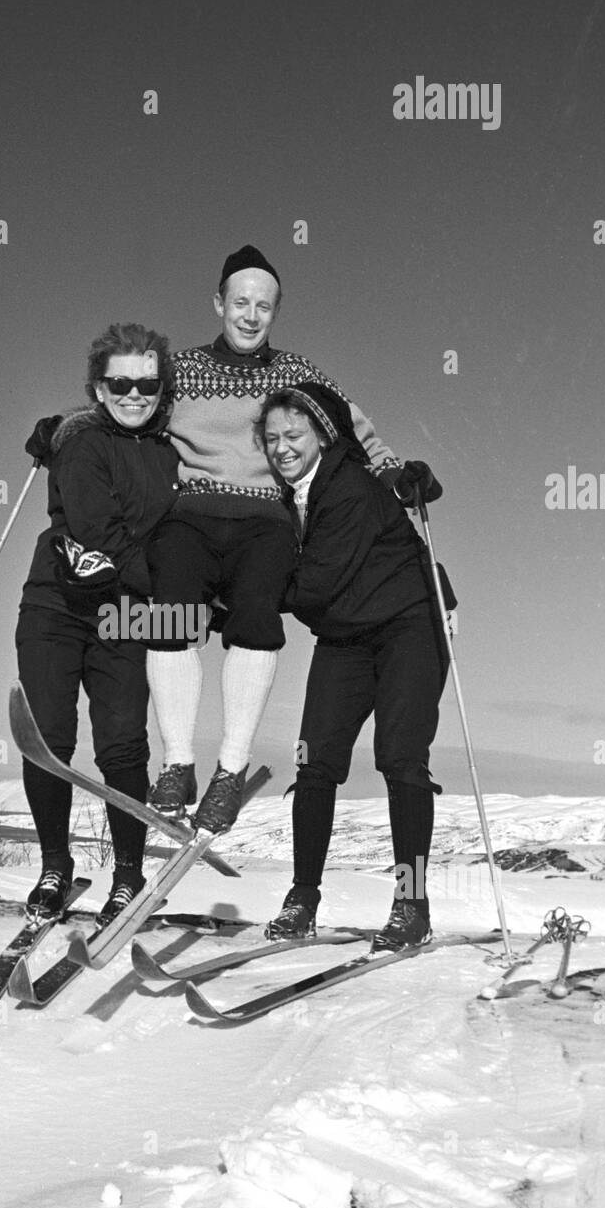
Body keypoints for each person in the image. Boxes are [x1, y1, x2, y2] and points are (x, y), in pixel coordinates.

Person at [145, 244, 441, 834]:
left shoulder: (297, 374)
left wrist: (392, 470)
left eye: (264, 306)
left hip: (265, 520)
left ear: (274, 313)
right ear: (219, 304)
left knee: (256, 617)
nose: (251, 316)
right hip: (193, 515)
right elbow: (121, 404)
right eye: (240, 303)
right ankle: (178, 763)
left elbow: (353, 425)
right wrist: (71, 430)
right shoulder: (178, 371)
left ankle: (229, 772)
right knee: (171, 616)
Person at [254, 382, 455, 952]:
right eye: (271, 439)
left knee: (401, 759)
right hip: (343, 638)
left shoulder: (349, 488)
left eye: (293, 435)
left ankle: (411, 905)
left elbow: (314, 584)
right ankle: (302, 898)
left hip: (407, 624)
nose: (282, 447)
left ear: (320, 434)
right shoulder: (283, 496)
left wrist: (244, 604)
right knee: (314, 763)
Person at [16, 323, 179, 921]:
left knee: (123, 746)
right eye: (121, 382)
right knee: (49, 742)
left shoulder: (171, 453)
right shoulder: (81, 445)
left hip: (123, 615)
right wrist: (169, 582)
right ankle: (55, 867)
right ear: (99, 388)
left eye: (149, 383)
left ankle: (128, 877)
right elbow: (95, 531)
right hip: (55, 606)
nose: (135, 394)